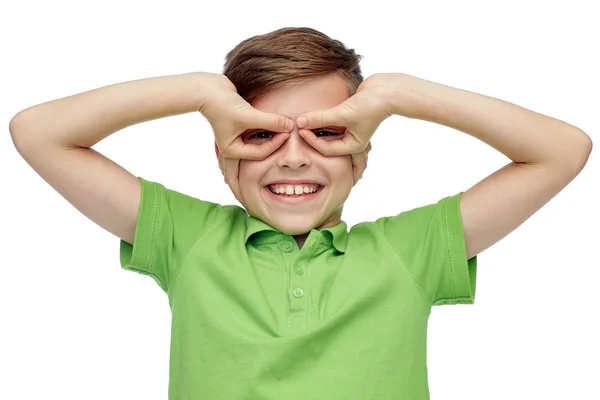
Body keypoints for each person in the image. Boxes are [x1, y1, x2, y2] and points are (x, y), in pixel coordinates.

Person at [9, 27, 592, 399]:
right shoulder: (188, 239)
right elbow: (37, 134)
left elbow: (563, 151)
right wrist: (197, 91)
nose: (292, 158)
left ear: (362, 154)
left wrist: (396, 94)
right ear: (222, 152)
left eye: (328, 134)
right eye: (259, 134)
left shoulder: (409, 249)